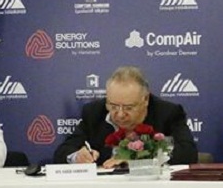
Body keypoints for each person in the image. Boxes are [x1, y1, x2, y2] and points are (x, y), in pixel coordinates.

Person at [53, 66, 197, 166]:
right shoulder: (93, 112)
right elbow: (62, 152)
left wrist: (136, 160)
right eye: (113, 106)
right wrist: (77, 156)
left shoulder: (168, 112)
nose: (120, 114)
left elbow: (188, 154)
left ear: (145, 100)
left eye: (129, 107)